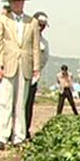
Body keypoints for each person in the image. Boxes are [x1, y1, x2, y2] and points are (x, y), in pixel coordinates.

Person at [0, 0, 41, 151]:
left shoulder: (31, 22)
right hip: (8, 63)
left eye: (20, 1)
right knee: (5, 101)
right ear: (10, 3)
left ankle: (18, 136)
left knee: (21, 102)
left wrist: (36, 68)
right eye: (14, 1)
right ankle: (1, 136)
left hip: (25, 64)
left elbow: (35, 47)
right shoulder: (2, 20)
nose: (18, 4)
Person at [24, 11, 50, 139]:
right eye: (39, 24)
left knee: (28, 103)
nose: (41, 27)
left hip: (33, 76)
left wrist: (36, 70)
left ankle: (25, 129)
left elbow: (44, 59)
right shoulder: (24, 36)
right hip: (20, 73)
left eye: (43, 25)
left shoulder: (44, 43)